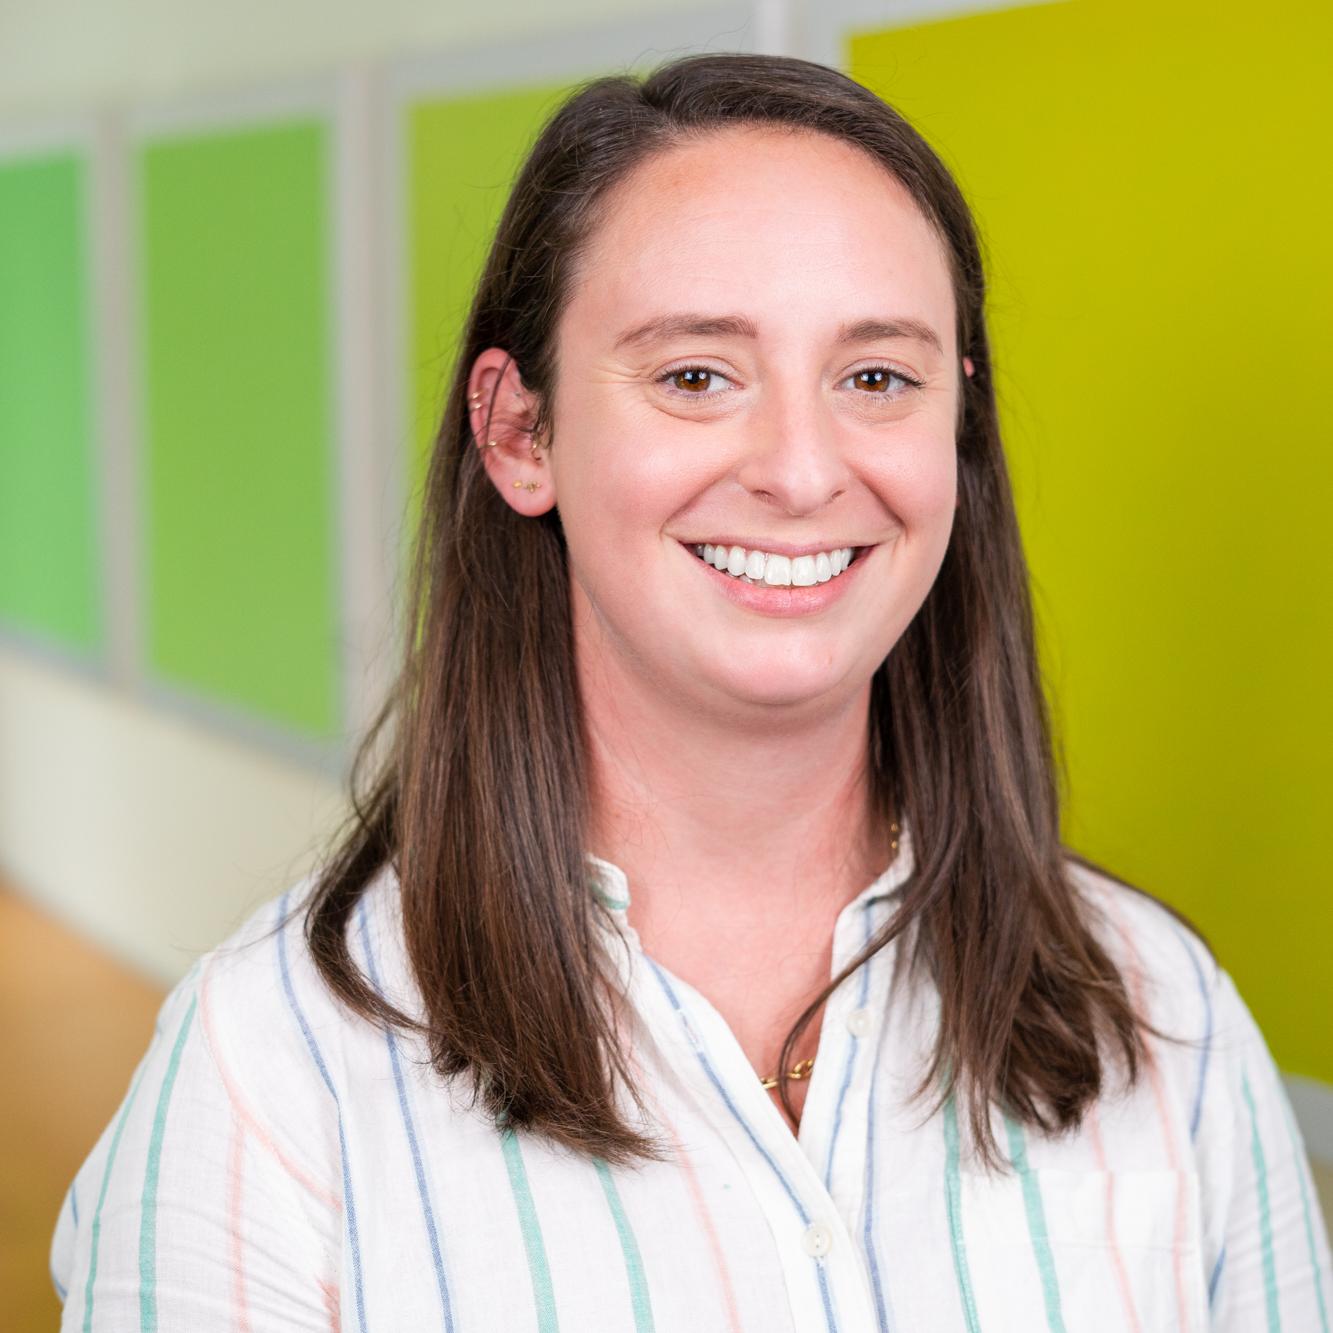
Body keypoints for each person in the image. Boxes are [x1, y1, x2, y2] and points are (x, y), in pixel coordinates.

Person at [51, 51, 1331, 1332]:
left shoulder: (1165, 1017)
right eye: (696, 375)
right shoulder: (271, 1077)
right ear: (519, 433)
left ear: (958, 431)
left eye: (876, 377)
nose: (799, 468)